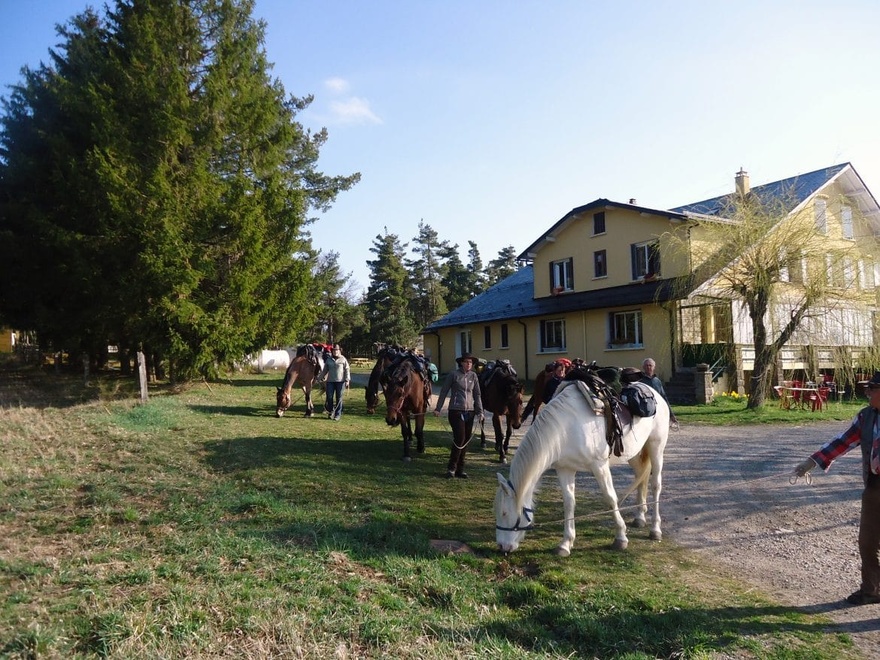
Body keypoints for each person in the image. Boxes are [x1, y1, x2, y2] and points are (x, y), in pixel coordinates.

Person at [794, 371, 880, 605]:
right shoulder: (866, 417)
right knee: (868, 542)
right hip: (875, 488)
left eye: (872, 388)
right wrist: (811, 463)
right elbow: (841, 441)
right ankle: (872, 591)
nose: (868, 393)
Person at [433, 352, 483, 479]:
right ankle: (451, 468)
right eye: (466, 361)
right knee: (459, 439)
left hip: (470, 412)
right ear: (461, 362)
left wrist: (480, 411)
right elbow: (443, 391)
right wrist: (438, 408)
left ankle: (461, 469)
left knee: (465, 441)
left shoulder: (474, 376)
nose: (469, 364)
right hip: (456, 411)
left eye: (471, 362)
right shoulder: (453, 375)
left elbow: (477, 395)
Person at [640, 357, 677, 423]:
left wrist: (671, 414)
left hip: (657, 410)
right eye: (646, 365)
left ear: (654, 367)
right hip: (645, 411)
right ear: (643, 367)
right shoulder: (640, 381)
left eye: (650, 365)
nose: (648, 367)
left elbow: (663, 397)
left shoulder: (657, 381)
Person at [319, 343, 350, 421]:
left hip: (340, 382)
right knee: (329, 397)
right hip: (330, 382)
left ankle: (337, 414)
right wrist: (319, 378)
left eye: (337, 350)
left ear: (339, 351)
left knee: (339, 398)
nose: (335, 352)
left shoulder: (343, 359)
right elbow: (325, 370)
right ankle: (331, 412)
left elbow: (347, 369)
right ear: (332, 351)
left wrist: (347, 380)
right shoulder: (329, 359)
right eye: (334, 350)